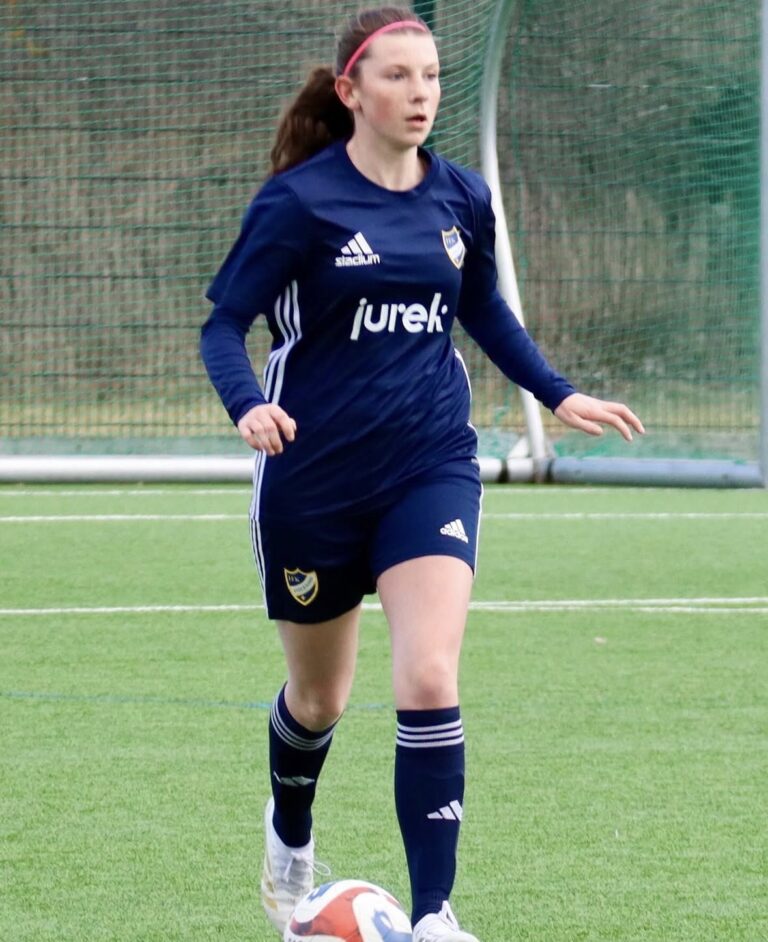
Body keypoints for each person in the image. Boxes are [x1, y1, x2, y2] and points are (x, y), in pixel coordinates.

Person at [200, 7, 644, 940]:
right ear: (351, 91)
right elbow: (224, 325)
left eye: (432, 76)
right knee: (319, 701)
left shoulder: (462, 198)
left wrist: (559, 394)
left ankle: (437, 914)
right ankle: (290, 833)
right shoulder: (298, 204)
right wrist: (247, 406)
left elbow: (484, 311)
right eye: (398, 76)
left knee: (431, 675)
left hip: (429, 463)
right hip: (312, 477)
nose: (421, 94)